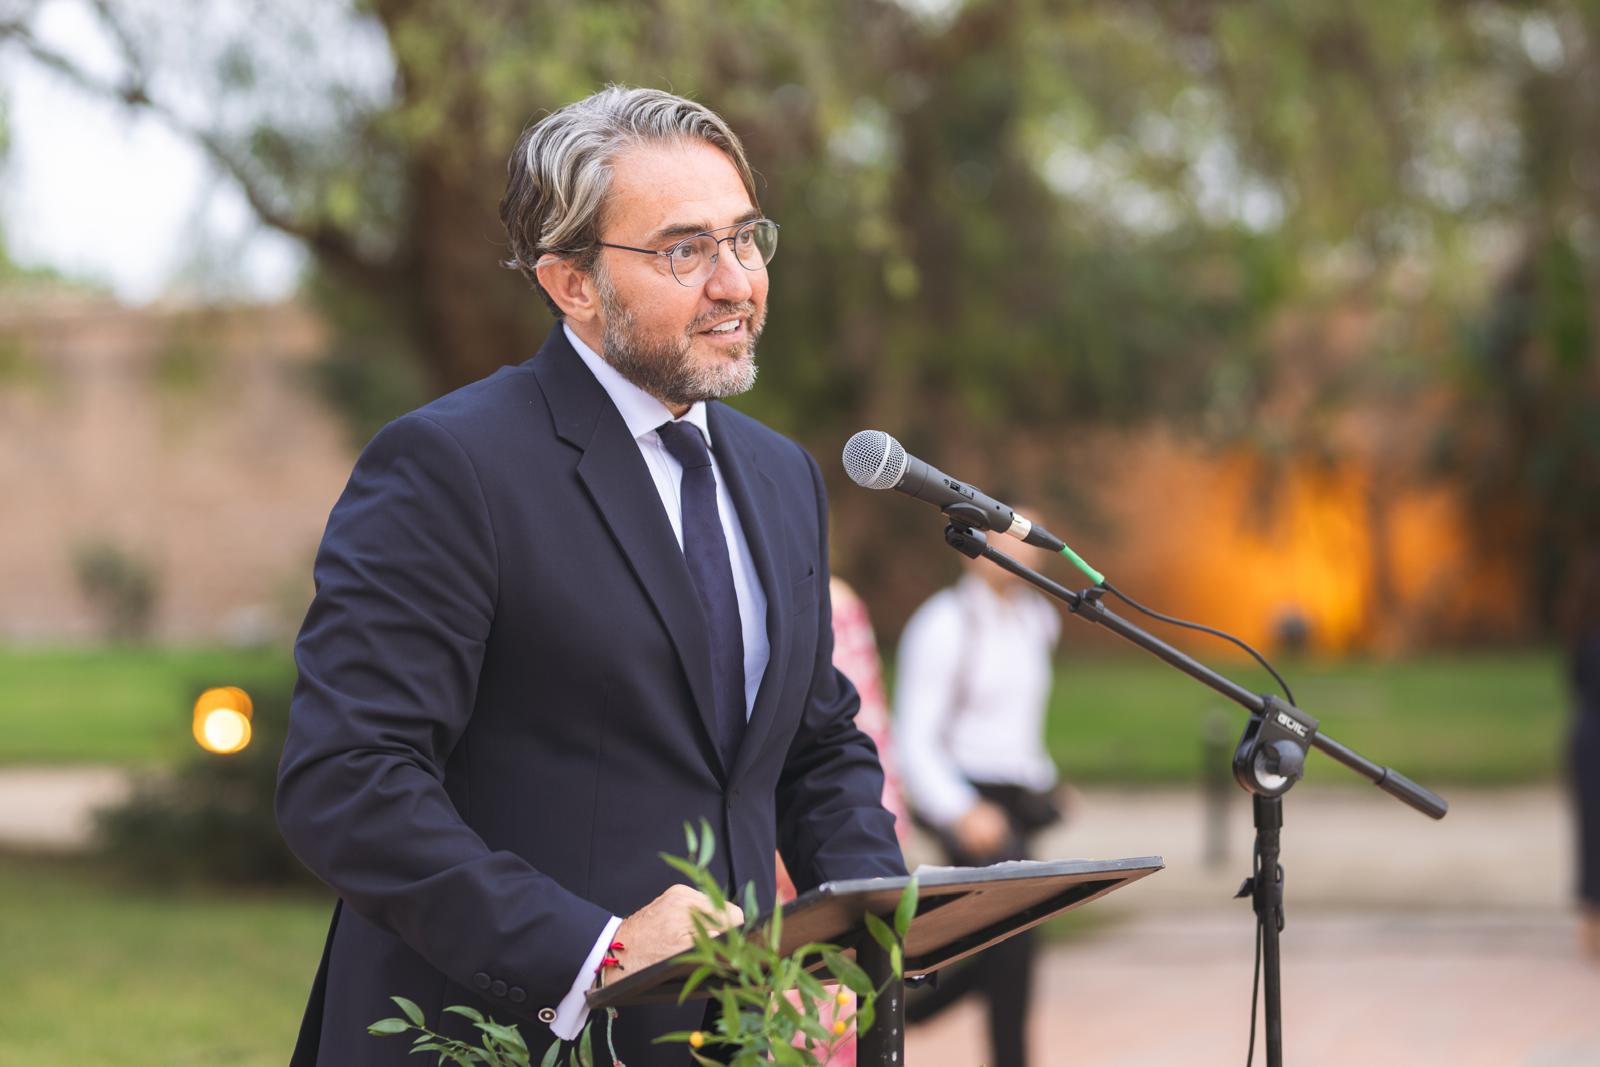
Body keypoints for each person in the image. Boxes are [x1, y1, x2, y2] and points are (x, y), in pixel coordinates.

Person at [275, 86, 906, 1066]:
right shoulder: (450, 466)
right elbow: (348, 780)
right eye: (684, 250)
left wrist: (870, 920)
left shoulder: (781, 475)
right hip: (497, 1036)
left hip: (730, 1039)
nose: (737, 282)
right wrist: (592, 949)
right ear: (571, 281)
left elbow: (815, 743)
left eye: (746, 238)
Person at [893, 549, 1064, 1067]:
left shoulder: (1039, 619)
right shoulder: (942, 623)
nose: (1019, 554)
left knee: (1012, 946)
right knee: (1012, 944)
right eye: (1005, 539)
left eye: (1028, 540)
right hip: (963, 796)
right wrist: (960, 810)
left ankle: (912, 1010)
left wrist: (1047, 782)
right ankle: (909, 1010)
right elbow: (914, 739)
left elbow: (1019, 721)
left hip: (1016, 799)